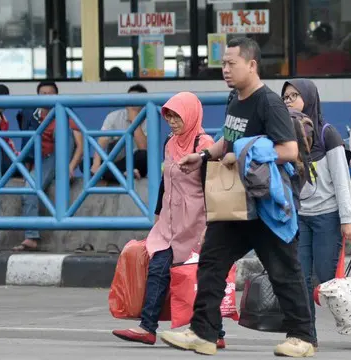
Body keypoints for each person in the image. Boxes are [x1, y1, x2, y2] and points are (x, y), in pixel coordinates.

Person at [159, 37, 315, 357]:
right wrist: (203, 156)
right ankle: (203, 332)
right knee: (212, 261)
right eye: (223, 64)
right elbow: (228, 141)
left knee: (283, 271)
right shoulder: (236, 99)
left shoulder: (268, 103)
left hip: (266, 205)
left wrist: (242, 155)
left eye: (232, 64)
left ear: (252, 65)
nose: (225, 70)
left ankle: (303, 337)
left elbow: (288, 150)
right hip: (237, 204)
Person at [111, 92, 218, 345]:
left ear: (190, 115)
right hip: (170, 221)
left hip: (196, 222)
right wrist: (158, 216)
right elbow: (164, 182)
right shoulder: (170, 142)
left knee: (202, 276)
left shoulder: (204, 145)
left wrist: (212, 223)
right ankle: (147, 327)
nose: (171, 120)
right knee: (158, 268)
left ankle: (215, 333)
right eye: (168, 115)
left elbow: (211, 187)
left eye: (177, 115)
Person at [281, 78, 351, 345]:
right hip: (299, 218)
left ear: (310, 98)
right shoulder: (285, 137)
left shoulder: (327, 134)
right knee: (299, 277)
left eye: (294, 96)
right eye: (285, 97)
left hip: (327, 216)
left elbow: (342, 181)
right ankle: (305, 335)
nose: (288, 101)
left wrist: (346, 220)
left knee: (327, 278)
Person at [13, 81, 83, 252]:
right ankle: (31, 236)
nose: (46, 97)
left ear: (57, 95)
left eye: (50, 93)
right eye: (42, 94)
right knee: (29, 189)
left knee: (62, 129)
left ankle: (31, 236)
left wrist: (70, 166)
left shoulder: (66, 112)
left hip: (59, 157)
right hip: (42, 160)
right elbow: (27, 144)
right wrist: (27, 167)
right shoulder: (31, 114)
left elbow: (80, 145)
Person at [91, 84, 149, 182]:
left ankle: (111, 174)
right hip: (115, 163)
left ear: (144, 104)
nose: (132, 103)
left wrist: (134, 119)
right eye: (129, 99)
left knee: (143, 156)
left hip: (136, 163)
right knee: (86, 163)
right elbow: (102, 141)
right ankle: (123, 174)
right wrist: (96, 164)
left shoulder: (149, 120)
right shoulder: (114, 116)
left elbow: (143, 148)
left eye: (136, 100)